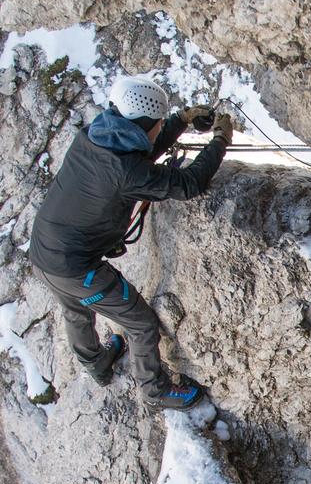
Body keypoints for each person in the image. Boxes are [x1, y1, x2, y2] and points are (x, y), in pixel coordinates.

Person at [28, 74, 230, 410]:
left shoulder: (95, 136)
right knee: (140, 322)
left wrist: (180, 122)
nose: (157, 130)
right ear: (147, 124)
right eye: (159, 124)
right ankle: (155, 390)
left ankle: (97, 364)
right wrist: (221, 140)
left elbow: (138, 154)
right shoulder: (125, 172)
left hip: (44, 251)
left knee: (75, 310)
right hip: (77, 268)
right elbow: (189, 183)